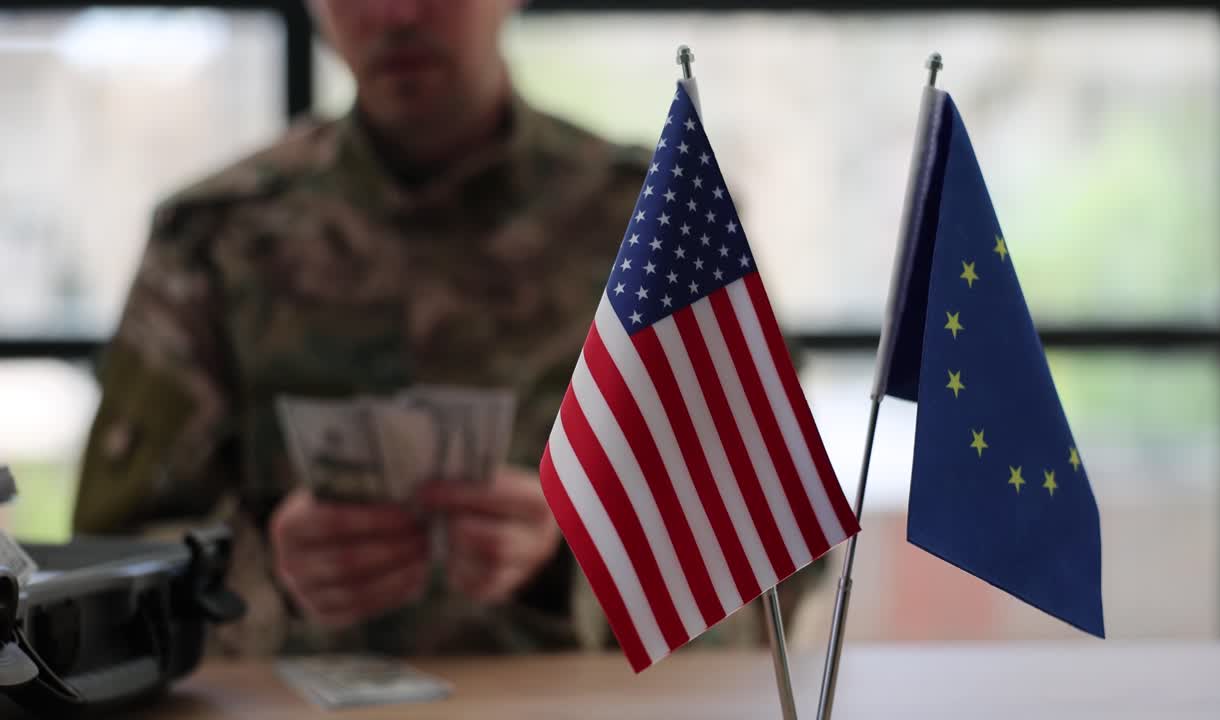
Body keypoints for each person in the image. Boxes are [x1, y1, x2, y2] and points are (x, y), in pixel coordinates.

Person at [74, 0, 813, 659]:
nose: (396, 12)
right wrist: (266, 576)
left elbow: (777, 563)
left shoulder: (656, 228)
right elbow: (101, 573)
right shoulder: (215, 238)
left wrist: (569, 565)